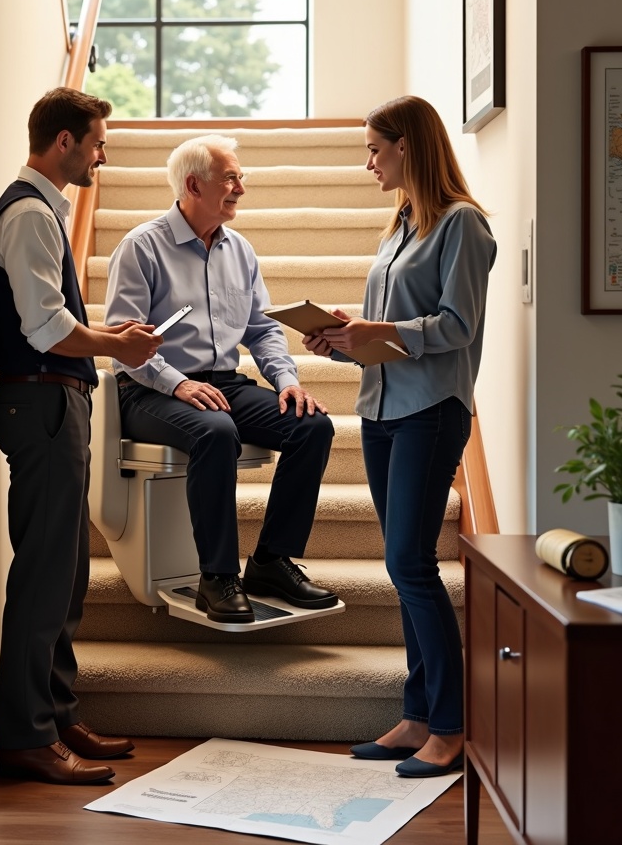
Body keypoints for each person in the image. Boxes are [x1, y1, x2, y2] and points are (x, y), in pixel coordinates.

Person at [304, 95, 496, 779]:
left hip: (432, 412)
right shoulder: (401, 224)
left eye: (374, 150)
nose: (368, 164)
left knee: (412, 565)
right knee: (401, 564)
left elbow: (457, 327)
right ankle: (417, 716)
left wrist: (377, 330)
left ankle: (450, 726)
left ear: (407, 146)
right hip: (382, 411)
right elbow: (390, 333)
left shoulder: (463, 224)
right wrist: (344, 337)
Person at [0, 87, 162, 785]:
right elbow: (46, 329)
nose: (101, 157)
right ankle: (27, 737)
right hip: (41, 403)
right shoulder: (29, 214)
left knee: (68, 574)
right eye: (97, 144)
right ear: (64, 142)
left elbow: (53, 323)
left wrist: (110, 338)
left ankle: (55, 716)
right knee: (43, 574)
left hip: (56, 401)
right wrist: (117, 345)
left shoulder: (44, 212)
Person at [105, 134, 338, 624]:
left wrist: (286, 380)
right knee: (216, 431)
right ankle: (217, 577)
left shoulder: (240, 250)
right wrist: (178, 383)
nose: (241, 189)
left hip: (224, 383)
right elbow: (125, 345)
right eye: (231, 178)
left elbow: (262, 329)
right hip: (148, 387)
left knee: (312, 426)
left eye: (240, 178)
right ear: (194, 185)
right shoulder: (141, 247)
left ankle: (271, 561)